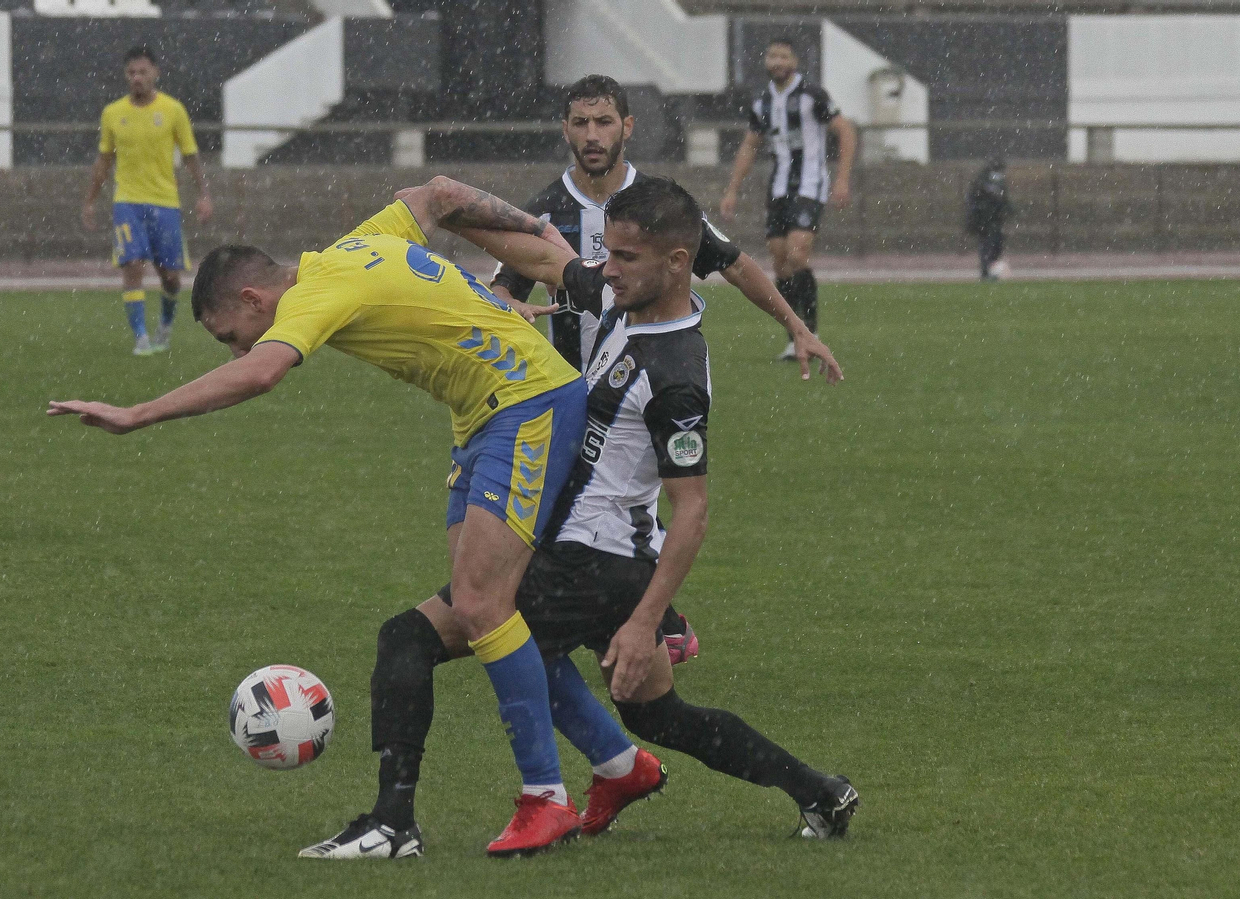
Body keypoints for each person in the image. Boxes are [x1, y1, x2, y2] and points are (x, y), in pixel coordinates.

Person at [300, 177, 858, 861]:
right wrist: (442, 220)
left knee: (414, 638)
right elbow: (547, 260)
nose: (607, 268)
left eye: (624, 257)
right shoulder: (624, 299)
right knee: (660, 713)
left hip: (592, 564)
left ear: (677, 264)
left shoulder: (676, 372)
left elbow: (693, 511)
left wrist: (646, 619)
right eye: (610, 254)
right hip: (595, 559)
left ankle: (399, 820)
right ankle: (818, 790)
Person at [49, 178, 599, 857]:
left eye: (231, 335)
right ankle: (617, 763)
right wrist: (548, 242)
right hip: (481, 420)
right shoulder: (356, 245)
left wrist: (136, 413)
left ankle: (546, 798)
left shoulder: (313, 292)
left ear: (254, 300)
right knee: (474, 608)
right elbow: (438, 193)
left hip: (527, 401)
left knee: (484, 604)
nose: (237, 350)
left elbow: (261, 375)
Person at [491, 74, 844, 663]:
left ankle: (612, 630)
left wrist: (797, 326)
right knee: (581, 518)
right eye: (580, 123)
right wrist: (510, 309)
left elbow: (732, 265)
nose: (592, 135)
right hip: (569, 397)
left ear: (628, 126)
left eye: (604, 122)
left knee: (587, 517)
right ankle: (644, 626)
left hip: (640, 389)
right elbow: (502, 287)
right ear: (565, 130)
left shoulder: (660, 207)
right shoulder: (546, 210)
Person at [720, 37, 858, 361]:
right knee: (780, 263)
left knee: (797, 255)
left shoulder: (812, 95)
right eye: (772, 54)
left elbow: (846, 131)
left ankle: (811, 330)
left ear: (795, 61)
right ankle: (792, 337)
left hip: (810, 183)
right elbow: (751, 145)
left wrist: (842, 178)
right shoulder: (762, 102)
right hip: (778, 187)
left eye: (783, 55)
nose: (777, 61)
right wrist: (732, 189)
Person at [80, 46, 214, 356]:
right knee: (132, 265)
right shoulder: (113, 113)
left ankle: (165, 326)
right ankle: (140, 337)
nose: (137, 78)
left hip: (164, 202)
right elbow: (103, 160)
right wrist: (90, 200)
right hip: (127, 201)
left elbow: (191, 156)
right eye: (131, 73)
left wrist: (204, 194)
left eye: (142, 72)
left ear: (155, 73)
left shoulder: (172, 110)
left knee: (169, 276)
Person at [966, 158, 1013, 280]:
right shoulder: (982, 183)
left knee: (995, 246)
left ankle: (990, 271)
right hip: (985, 222)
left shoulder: (995, 183)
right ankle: (986, 272)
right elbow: (976, 202)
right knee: (987, 247)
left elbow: (1003, 201)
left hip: (993, 221)